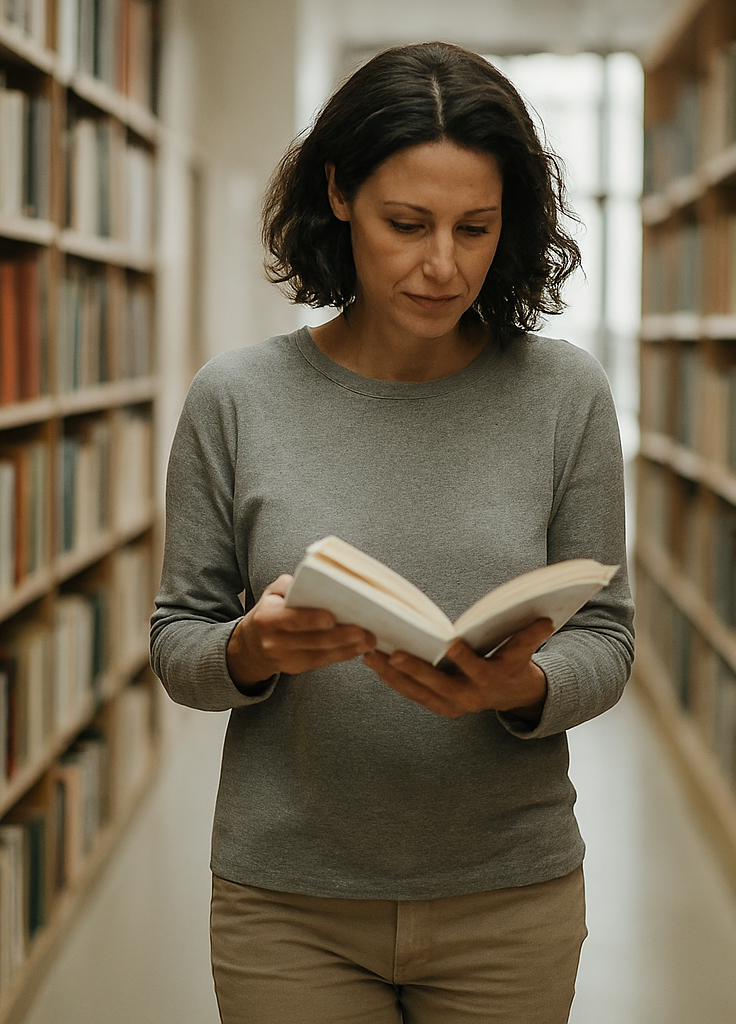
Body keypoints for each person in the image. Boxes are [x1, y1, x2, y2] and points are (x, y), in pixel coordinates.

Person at [150, 40, 635, 1024]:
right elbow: (178, 643)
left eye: (476, 226)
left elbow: (609, 638)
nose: (443, 263)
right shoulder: (235, 399)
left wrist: (523, 685)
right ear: (338, 195)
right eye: (406, 223)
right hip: (288, 898)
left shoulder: (563, 394)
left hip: (510, 890)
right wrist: (250, 647)